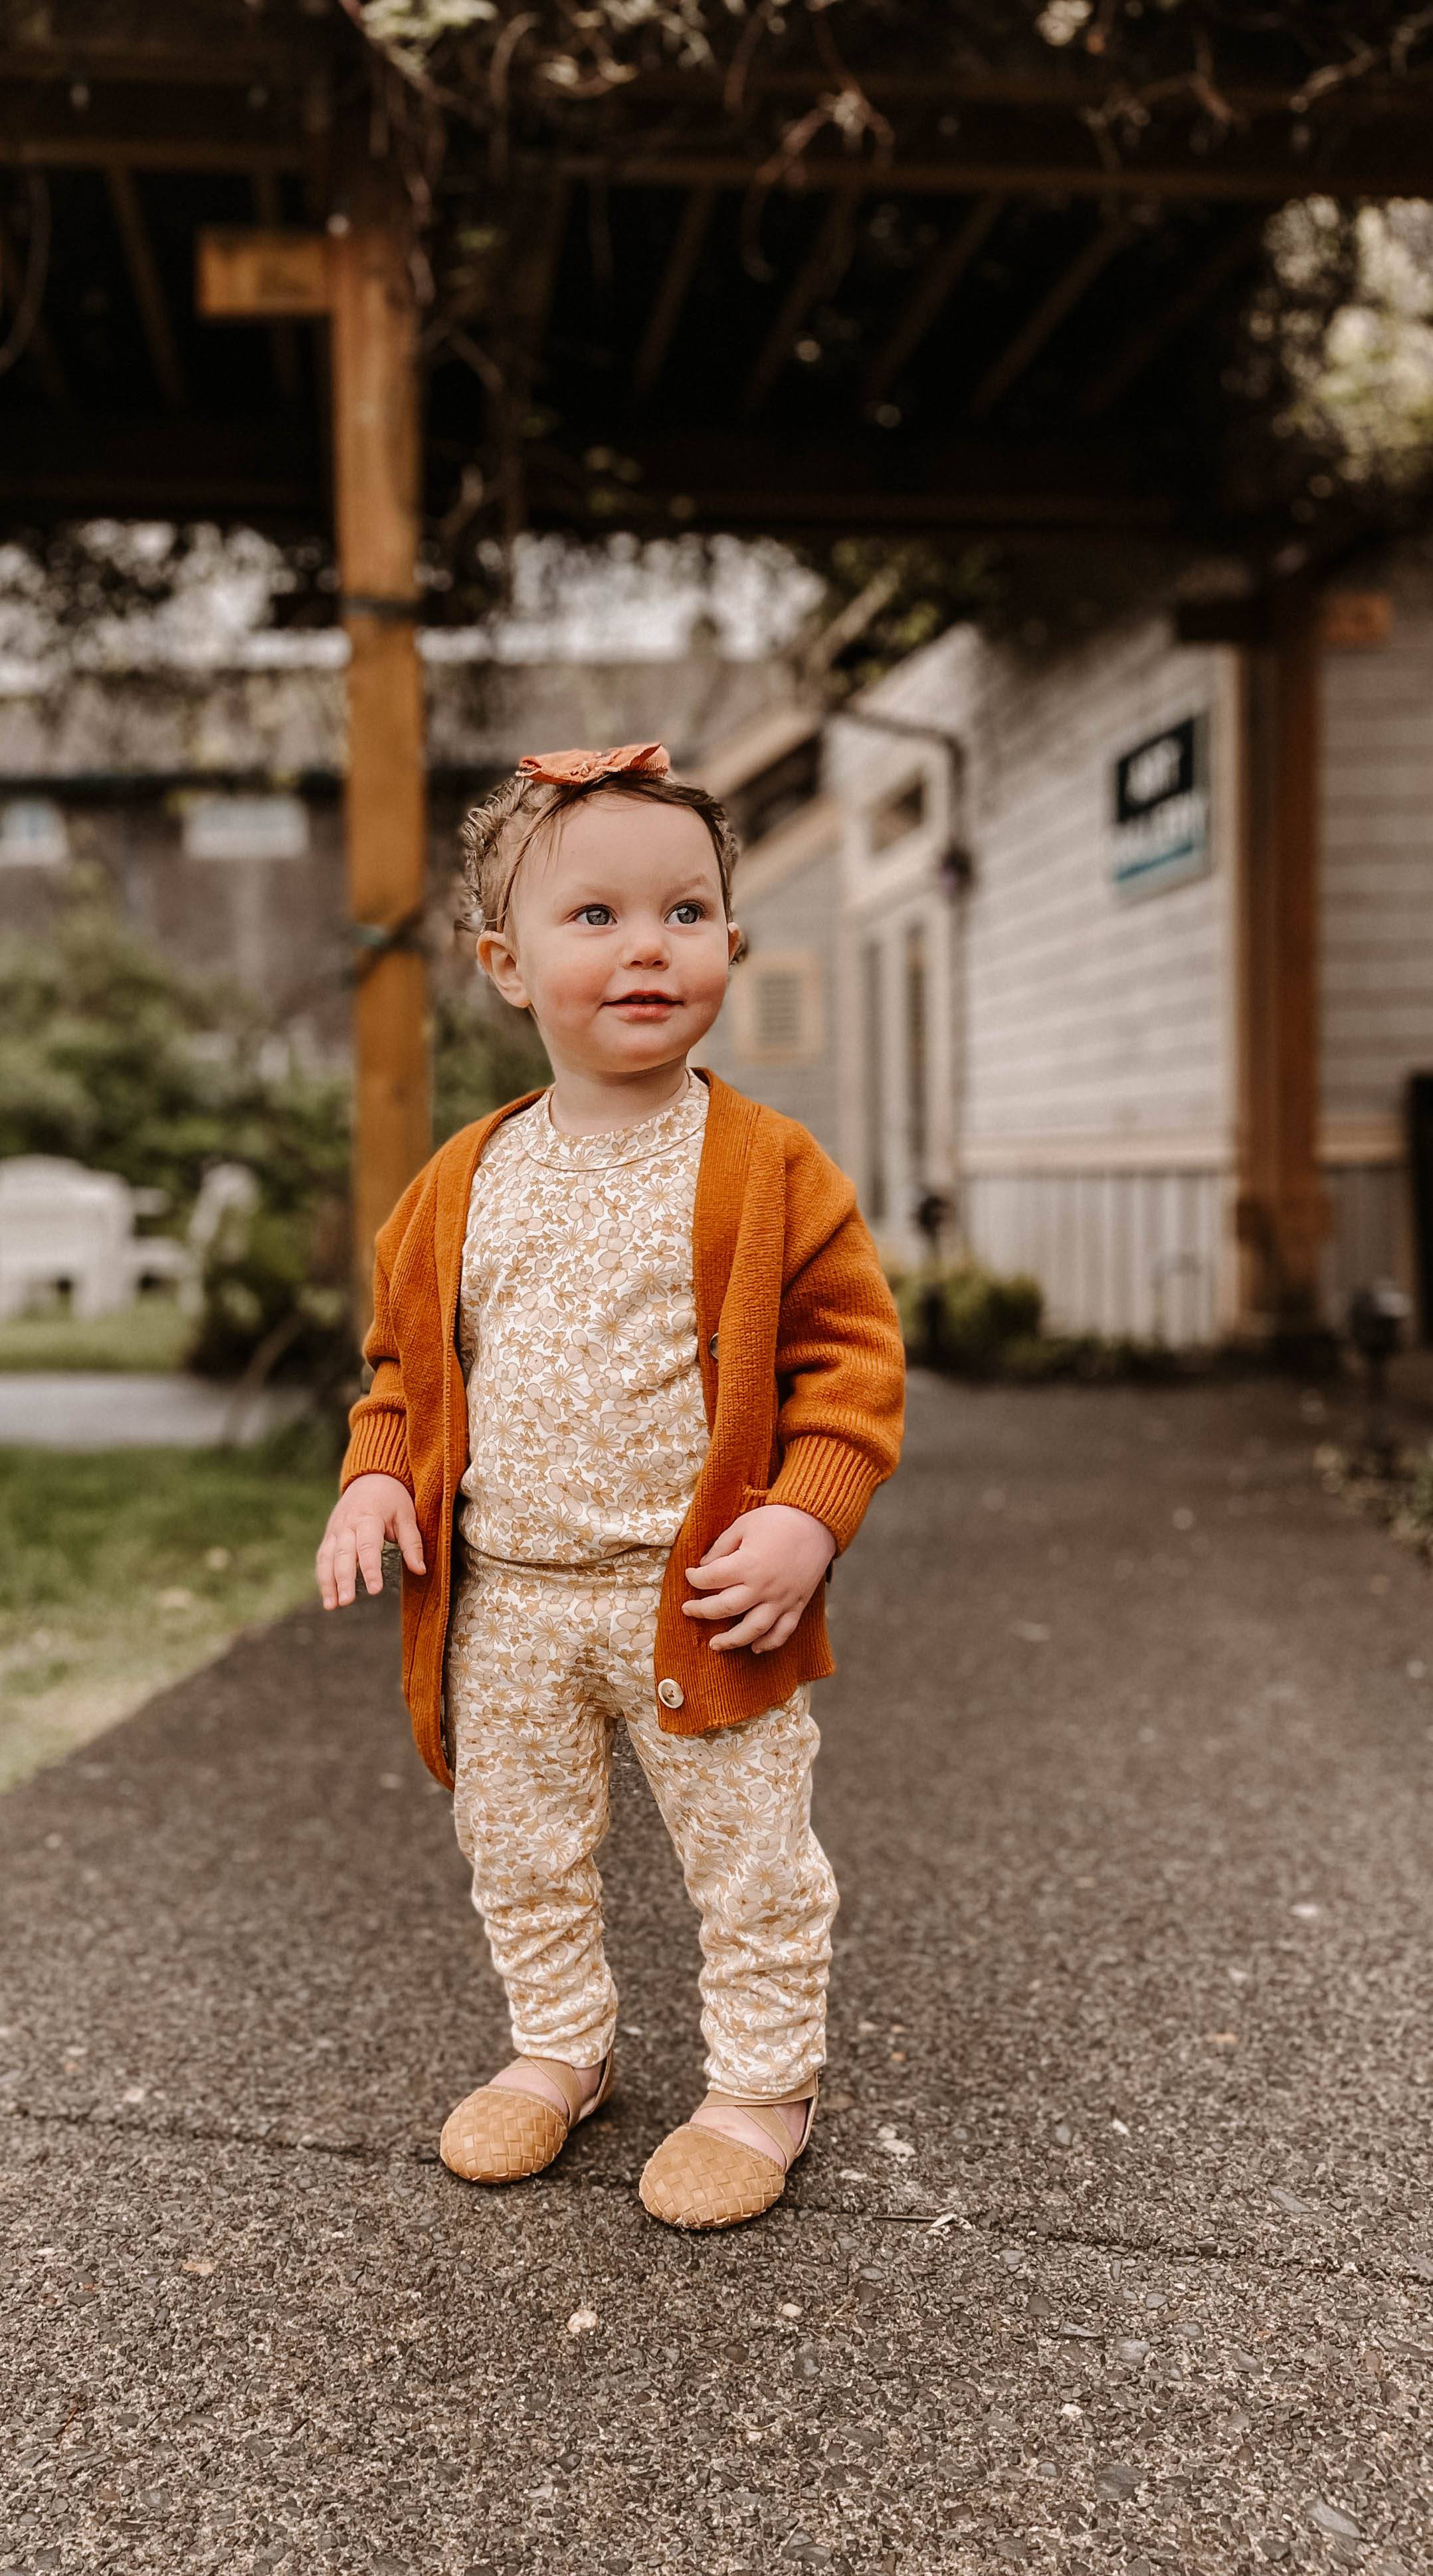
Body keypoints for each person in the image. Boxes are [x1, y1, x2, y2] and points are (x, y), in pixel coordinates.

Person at [315, 742, 905, 2231]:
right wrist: (374, 1482)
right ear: (507, 965)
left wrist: (805, 1513)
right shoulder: (463, 1179)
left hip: (697, 1600)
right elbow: (401, 1370)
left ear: (730, 942)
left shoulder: (767, 1167)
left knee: (753, 1859)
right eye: (598, 918)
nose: (651, 944)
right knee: (518, 1846)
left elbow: (850, 1363)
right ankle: (558, 2047)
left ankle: (765, 2084)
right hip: (504, 1603)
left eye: (687, 911)